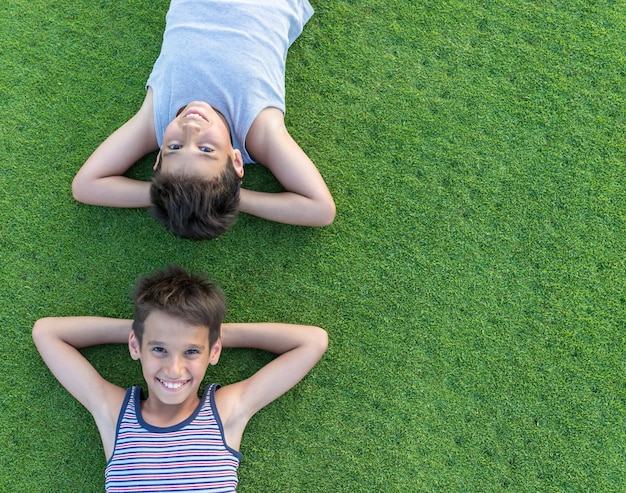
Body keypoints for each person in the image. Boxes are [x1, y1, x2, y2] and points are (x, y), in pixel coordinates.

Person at [32, 265, 328, 491]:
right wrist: (144, 328)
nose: (174, 369)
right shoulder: (115, 414)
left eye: (190, 352)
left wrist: (209, 332)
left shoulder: (224, 413)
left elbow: (312, 342)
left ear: (213, 352)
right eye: (159, 349)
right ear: (135, 346)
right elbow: (47, 333)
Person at [72, 0, 335, 240]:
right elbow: (320, 209)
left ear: (158, 159)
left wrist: (173, 195)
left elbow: (85, 186)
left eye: (174, 148)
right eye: (206, 150)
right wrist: (226, 198)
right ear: (235, 160)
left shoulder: (156, 120)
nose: (190, 129)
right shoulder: (258, 131)